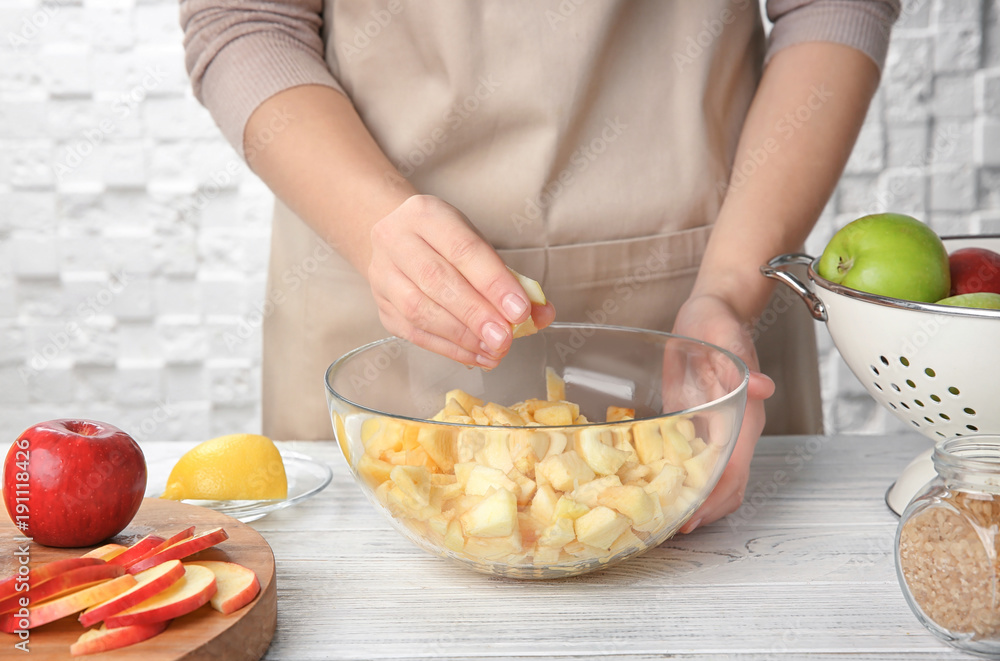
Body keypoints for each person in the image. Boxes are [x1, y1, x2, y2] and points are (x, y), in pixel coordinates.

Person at [180, 0, 901, 531]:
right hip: (372, 308)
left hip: (709, 290)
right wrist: (377, 230)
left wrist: (731, 285)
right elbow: (245, 21)